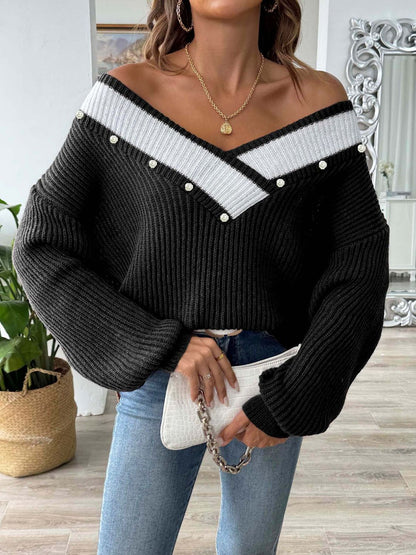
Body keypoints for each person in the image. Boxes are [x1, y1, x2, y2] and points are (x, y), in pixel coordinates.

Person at [12, 0, 390, 553]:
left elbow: (360, 264)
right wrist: (157, 343)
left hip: (270, 380)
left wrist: (299, 394)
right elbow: (41, 242)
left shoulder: (320, 104)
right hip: (161, 376)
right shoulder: (124, 98)